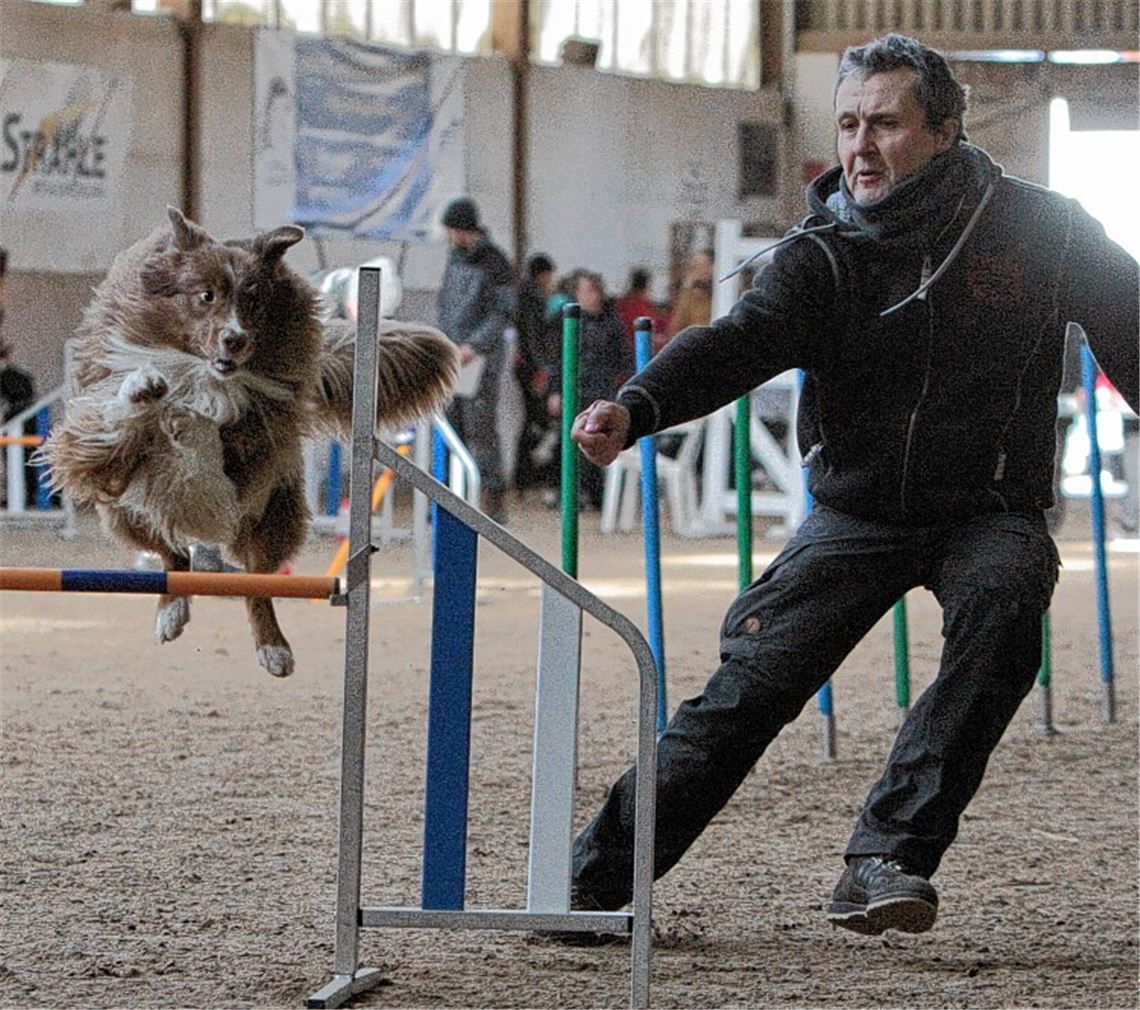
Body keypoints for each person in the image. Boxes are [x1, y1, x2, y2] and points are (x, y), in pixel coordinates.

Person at [562, 33, 1139, 937]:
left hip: (989, 508)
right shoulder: (819, 253)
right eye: (848, 125)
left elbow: (1132, 327)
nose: (861, 147)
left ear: (947, 129)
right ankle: (588, 885)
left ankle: (888, 856)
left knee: (1007, 601)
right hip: (854, 510)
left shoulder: (1045, 228)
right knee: (747, 694)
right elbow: (739, 343)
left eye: (887, 124)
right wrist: (637, 407)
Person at [436, 197, 517, 523]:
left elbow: (503, 313)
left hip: (480, 358)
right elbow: (447, 305)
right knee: (451, 426)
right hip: (454, 353)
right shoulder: (455, 259)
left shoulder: (495, 263)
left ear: (463, 230)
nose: (448, 237)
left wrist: (474, 346)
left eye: (451, 231)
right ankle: (452, 497)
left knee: (481, 428)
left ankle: (492, 498)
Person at [547, 270, 633, 511]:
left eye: (591, 290)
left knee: (597, 443)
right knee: (566, 445)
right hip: (573, 390)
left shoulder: (612, 323)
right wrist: (555, 391)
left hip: (601, 391)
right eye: (583, 291)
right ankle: (568, 494)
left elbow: (624, 359)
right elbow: (559, 359)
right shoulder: (568, 321)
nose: (587, 296)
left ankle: (595, 495)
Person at [513, 253, 561, 492]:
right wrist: (540, 369)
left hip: (526, 365)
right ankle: (526, 475)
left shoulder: (524, 295)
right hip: (532, 368)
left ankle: (525, 475)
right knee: (535, 422)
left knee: (532, 422)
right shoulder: (533, 299)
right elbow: (532, 338)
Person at [614, 267, 666, 356]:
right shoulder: (643, 307)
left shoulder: (620, 304)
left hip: (620, 351)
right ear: (647, 286)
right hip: (639, 352)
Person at [664, 247, 713, 341]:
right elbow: (676, 326)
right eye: (695, 266)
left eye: (703, 265)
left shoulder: (724, 293)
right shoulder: (688, 295)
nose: (697, 270)